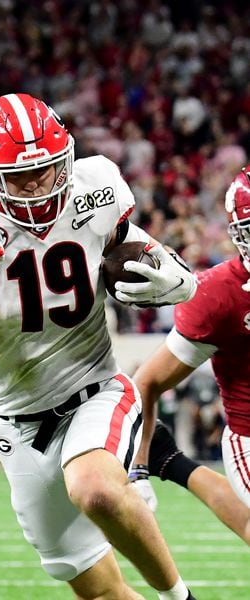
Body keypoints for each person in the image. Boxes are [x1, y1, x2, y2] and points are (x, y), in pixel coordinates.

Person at [0, 93, 198, 600]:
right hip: (19, 426)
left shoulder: (97, 185)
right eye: (21, 175)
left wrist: (180, 281)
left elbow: (139, 249)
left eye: (47, 167)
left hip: (96, 389)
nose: (39, 183)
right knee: (99, 590)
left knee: (96, 487)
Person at [131, 165, 250, 545]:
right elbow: (147, 381)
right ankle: (171, 463)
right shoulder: (219, 296)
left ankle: (177, 465)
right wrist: (138, 463)